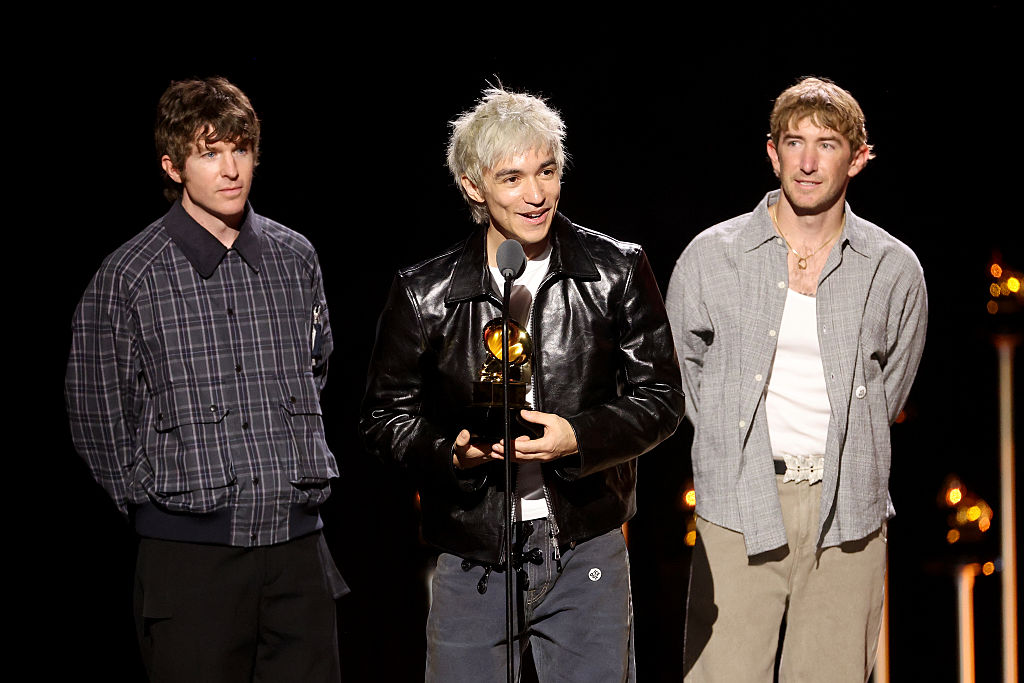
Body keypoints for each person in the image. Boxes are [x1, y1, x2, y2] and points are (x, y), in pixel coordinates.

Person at [360, 87, 684, 681]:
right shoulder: (424, 292)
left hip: (586, 547)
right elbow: (383, 419)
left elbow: (662, 400)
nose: (536, 196)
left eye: (547, 171)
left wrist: (578, 437)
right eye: (512, 178)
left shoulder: (615, 270)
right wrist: (449, 451)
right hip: (472, 555)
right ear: (473, 186)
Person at [65, 77, 345, 682]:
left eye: (241, 149)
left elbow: (316, 366)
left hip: (297, 552)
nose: (231, 168)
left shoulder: (295, 258)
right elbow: (95, 410)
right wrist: (160, 497)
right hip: (190, 558)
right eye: (209, 152)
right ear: (173, 165)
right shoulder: (130, 275)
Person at [665, 76, 927, 682]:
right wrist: (731, 447)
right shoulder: (714, 255)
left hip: (850, 509)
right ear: (771, 151)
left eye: (828, 144)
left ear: (859, 158)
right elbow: (682, 375)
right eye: (794, 142)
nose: (808, 163)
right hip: (738, 500)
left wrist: (850, 452)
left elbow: (892, 390)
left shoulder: (892, 268)